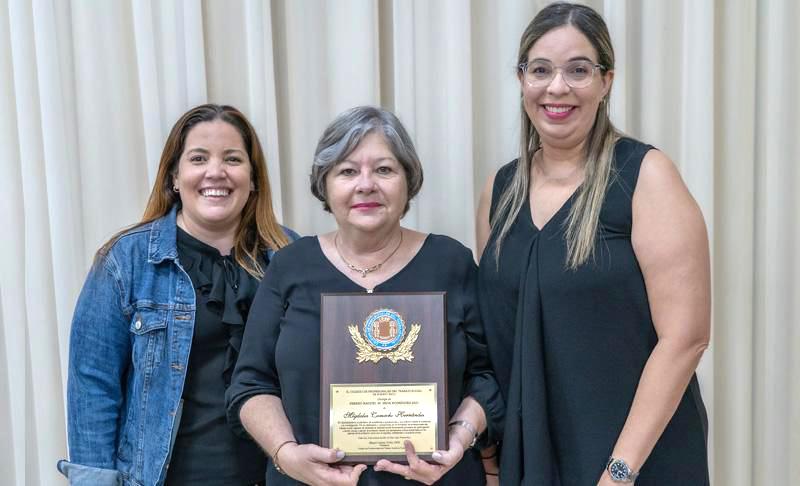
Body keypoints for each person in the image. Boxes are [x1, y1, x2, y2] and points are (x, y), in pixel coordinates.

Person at [475, 3, 711, 485]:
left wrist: (619, 473)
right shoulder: (500, 191)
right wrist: (490, 458)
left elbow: (686, 338)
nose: (557, 87)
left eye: (578, 70)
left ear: (606, 81)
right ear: (521, 79)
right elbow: (497, 336)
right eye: (541, 70)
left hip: (636, 459)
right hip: (534, 456)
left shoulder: (646, 176)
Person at [226, 106, 503, 486]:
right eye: (347, 171)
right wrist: (286, 454)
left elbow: (488, 373)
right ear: (325, 185)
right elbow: (251, 384)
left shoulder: (450, 262)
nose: (366, 184)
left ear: (409, 180)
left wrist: (461, 435)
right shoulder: (290, 266)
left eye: (384, 170)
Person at [57, 104, 298, 486]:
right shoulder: (126, 260)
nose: (215, 171)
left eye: (232, 159)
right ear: (174, 176)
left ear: (253, 178)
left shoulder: (292, 258)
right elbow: (93, 386)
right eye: (198, 158)